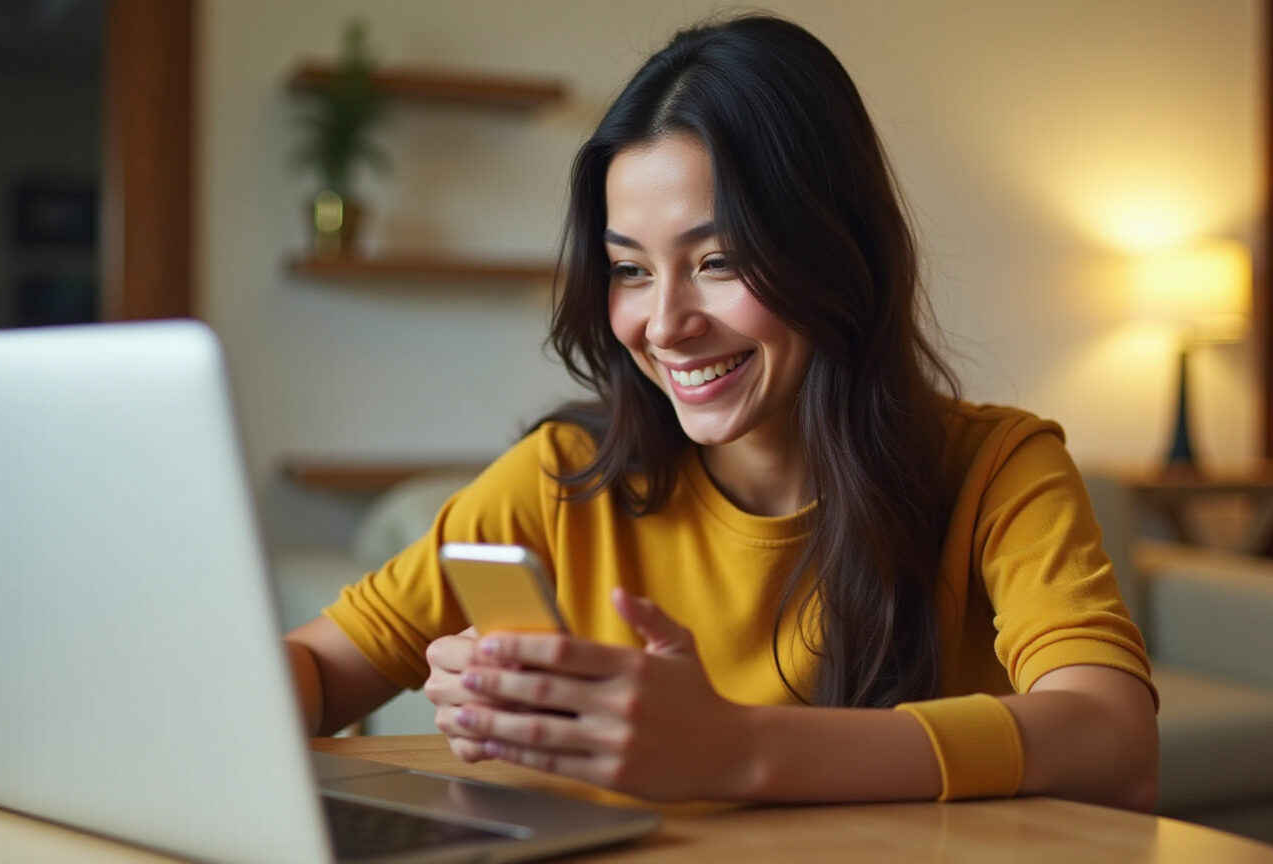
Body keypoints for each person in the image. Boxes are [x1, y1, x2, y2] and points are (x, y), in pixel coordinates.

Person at [284, 14, 1159, 810]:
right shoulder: (563, 478)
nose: (664, 323)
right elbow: (319, 665)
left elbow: (1111, 736)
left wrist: (737, 748)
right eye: (629, 269)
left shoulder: (999, 469)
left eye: (719, 261)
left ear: (835, 251)